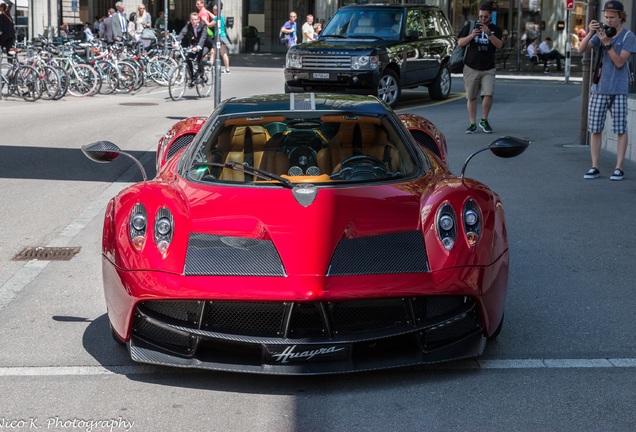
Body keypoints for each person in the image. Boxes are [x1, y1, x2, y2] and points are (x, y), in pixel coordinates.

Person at [578, 0, 636, 181]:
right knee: (595, 129)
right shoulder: (601, 33)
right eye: (606, 17)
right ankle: (594, 166)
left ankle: (618, 168)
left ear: (621, 17)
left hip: (618, 89)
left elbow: (619, 63)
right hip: (599, 88)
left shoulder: (628, 37)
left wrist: (607, 43)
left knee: (620, 129)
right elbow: (581, 49)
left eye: (612, 17)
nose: (608, 21)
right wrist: (590, 33)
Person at [456, 3, 503, 134]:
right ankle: (472, 124)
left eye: (485, 17)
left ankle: (484, 120)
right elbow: (460, 43)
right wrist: (471, 36)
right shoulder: (470, 26)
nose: (482, 19)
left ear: (491, 16)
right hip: (471, 67)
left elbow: (499, 45)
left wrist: (489, 34)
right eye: (480, 16)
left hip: (488, 68)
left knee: (488, 94)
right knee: (471, 97)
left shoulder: (495, 29)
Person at [176, 12, 209, 85]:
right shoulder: (189, 25)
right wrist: (177, 42)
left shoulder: (203, 25)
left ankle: (201, 76)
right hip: (196, 45)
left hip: (205, 45)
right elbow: (182, 33)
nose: (194, 21)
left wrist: (198, 47)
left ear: (198, 20)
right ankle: (192, 78)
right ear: (190, 20)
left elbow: (203, 37)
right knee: (188, 59)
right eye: (192, 20)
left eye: (196, 20)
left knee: (199, 58)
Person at [212, 2, 232, 73]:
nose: (213, 10)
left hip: (219, 36)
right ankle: (227, 69)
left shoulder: (218, 17)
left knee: (213, 52)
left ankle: (209, 67)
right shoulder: (221, 16)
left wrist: (205, 19)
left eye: (214, 9)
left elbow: (209, 25)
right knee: (223, 53)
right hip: (222, 36)